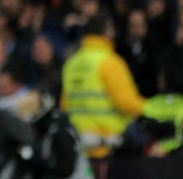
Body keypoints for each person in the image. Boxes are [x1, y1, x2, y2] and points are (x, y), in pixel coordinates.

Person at [60, 13, 147, 157]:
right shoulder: (110, 62)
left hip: (79, 147)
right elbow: (125, 103)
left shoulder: (71, 63)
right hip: (108, 145)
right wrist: (152, 109)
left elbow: (64, 105)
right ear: (106, 31)